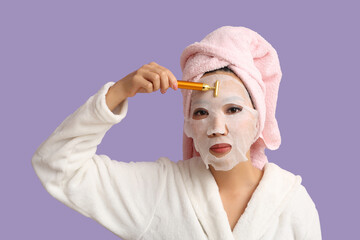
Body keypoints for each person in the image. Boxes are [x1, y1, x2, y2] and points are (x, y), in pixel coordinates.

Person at [32, 26, 322, 239]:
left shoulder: (292, 202)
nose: (216, 129)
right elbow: (57, 165)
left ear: (259, 119)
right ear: (188, 127)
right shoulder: (160, 190)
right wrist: (120, 91)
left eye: (233, 110)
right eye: (201, 113)